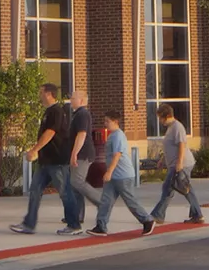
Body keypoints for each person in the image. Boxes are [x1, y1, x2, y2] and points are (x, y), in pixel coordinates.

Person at [13, 84, 77, 235]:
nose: (39, 95)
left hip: (57, 160)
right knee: (34, 190)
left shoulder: (56, 111)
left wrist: (34, 149)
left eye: (41, 92)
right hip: (45, 161)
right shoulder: (48, 112)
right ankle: (29, 224)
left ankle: (74, 225)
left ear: (49, 94)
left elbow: (50, 133)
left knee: (65, 192)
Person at [88, 109, 154, 236]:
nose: (105, 123)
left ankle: (147, 220)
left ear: (115, 122)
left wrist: (109, 172)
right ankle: (101, 226)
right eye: (105, 121)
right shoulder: (112, 135)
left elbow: (117, 155)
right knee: (106, 201)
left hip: (123, 175)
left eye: (107, 121)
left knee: (130, 200)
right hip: (113, 177)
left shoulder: (118, 135)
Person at [150, 104, 204, 225]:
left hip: (182, 164)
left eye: (161, 118)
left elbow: (181, 145)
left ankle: (157, 215)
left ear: (167, 116)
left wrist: (179, 162)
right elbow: (170, 146)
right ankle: (197, 215)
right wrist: (163, 159)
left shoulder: (177, 127)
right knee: (182, 189)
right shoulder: (170, 128)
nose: (160, 121)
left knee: (173, 188)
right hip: (175, 164)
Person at [66, 87, 100, 221]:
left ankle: (102, 202)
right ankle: (77, 215)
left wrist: (74, 153)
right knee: (74, 185)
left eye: (73, 98)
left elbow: (82, 135)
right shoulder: (77, 114)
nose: (70, 100)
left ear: (80, 100)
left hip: (83, 154)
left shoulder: (82, 114)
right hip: (79, 153)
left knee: (77, 181)